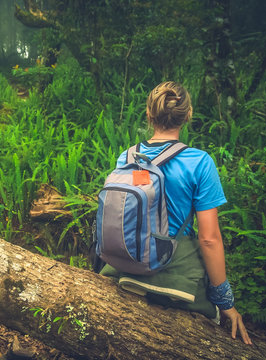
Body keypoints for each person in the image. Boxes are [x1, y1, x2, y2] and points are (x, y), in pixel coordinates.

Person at [99, 81, 252, 345]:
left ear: (149, 115)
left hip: (122, 262)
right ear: (188, 114)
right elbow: (209, 239)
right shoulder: (200, 162)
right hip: (174, 269)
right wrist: (225, 301)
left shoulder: (127, 157)